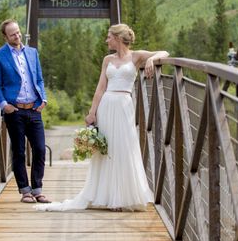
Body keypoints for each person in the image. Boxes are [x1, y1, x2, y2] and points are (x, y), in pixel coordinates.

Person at [36, 23, 169, 212]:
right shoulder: (107, 59)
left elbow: (165, 52)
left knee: (124, 148)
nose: (106, 40)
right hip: (106, 105)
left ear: (117, 38)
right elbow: (100, 88)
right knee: (106, 150)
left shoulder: (136, 56)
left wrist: (151, 60)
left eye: (109, 37)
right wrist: (92, 112)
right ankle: (107, 196)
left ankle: (122, 197)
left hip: (124, 105)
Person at [0, 19, 51, 203]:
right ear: (5, 37)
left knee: (40, 149)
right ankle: (25, 191)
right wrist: (4, 105)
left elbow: (39, 79)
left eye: (18, 32)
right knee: (19, 151)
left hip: (34, 108)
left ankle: (37, 189)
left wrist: (43, 98)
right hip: (14, 110)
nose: (17, 36)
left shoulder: (32, 53)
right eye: (12, 34)